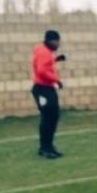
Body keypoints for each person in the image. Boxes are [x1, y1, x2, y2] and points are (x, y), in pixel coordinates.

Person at [30, 29, 66, 159]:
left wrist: (56, 59)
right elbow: (42, 71)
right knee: (48, 118)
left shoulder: (43, 50)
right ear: (52, 41)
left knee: (52, 117)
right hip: (43, 88)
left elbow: (43, 65)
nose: (58, 44)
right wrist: (57, 80)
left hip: (45, 88)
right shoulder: (45, 52)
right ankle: (45, 148)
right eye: (57, 42)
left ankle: (48, 146)